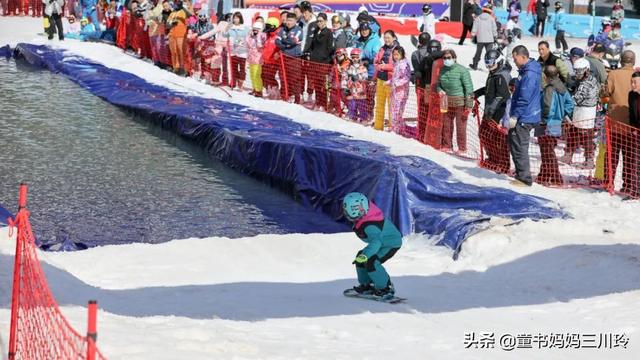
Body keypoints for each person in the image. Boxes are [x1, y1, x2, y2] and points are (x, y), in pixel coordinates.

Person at [342, 192, 402, 299]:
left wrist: (366, 256)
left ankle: (386, 288)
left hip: (390, 244)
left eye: (346, 210)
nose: (344, 213)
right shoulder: (365, 216)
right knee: (361, 256)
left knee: (371, 261)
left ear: (355, 210)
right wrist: (363, 255)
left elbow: (376, 242)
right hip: (382, 241)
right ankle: (367, 285)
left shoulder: (370, 226)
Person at [605, 50, 637, 195]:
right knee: (631, 157)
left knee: (612, 155)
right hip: (633, 125)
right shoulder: (637, 76)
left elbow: (606, 93)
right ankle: (629, 185)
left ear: (620, 60)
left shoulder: (613, 74)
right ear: (634, 61)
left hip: (614, 122)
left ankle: (608, 183)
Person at [509, 45, 542, 186]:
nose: (514, 61)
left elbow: (524, 97)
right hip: (526, 113)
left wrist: (515, 115)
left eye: (515, 58)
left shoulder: (529, 74)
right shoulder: (527, 70)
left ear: (523, 57)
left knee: (519, 146)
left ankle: (524, 178)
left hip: (525, 115)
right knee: (515, 143)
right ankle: (520, 173)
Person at [537, 65, 573, 186]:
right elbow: (570, 103)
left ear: (545, 76)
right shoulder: (563, 88)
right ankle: (543, 175)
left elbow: (547, 106)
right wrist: (563, 114)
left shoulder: (549, 88)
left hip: (546, 123)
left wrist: (544, 120)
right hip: (557, 123)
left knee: (547, 152)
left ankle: (556, 178)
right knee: (548, 150)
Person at [560, 58, 599, 168]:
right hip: (580, 111)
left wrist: (565, 103)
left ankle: (589, 160)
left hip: (585, 112)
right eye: (576, 71)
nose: (577, 74)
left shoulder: (587, 83)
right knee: (573, 133)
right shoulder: (587, 79)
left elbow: (577, 98)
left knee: (586, 137)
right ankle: (568, 155)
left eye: (579, 71)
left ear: (586, 70)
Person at [477, 49, 512, 174]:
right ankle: (493, 159)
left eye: (491, 63)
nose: (489, 66)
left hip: (498, 112)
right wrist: (477, 93)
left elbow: (501, 96)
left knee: (497, 139)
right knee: (485, 135)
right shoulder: (494, 73)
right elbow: (489, 89)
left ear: (498, 61)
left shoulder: (501, 76)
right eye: (487, 63)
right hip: (491, 110)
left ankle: (502, 164)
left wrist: (491, 111)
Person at [437, 49, 474, 153]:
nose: (446, 60)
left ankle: (462, 148)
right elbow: (439, 84)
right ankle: (447, 145)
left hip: (460, 102)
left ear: (454, 58)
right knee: (446, 125)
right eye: (444, 58)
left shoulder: (462, 70)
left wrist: (469, 105)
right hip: (446, 101)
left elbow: (469, 88)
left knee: (460, 126)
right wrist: (440, 90)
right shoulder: (442, 70)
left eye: (448, 58)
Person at [307, 12, 334, 110]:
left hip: (323, 63)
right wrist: (310, 54)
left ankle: (323, 103)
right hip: (314, 62)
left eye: (321, 21)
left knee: (323, 84)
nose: (319, 23)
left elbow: (329, 48)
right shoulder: (316, 31)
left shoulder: (328, 32)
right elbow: (312, 45)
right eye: (317, 21)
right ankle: (318, 102)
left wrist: (323, 57)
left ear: (325, 21)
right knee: (316, 84)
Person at [373, 30, 399, 131]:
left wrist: (385, 66)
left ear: (394, 37)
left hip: (390, 80)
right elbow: (375, 61)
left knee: (391, 105)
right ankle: (378, 127)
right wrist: (379, 67)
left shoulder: (397, 49)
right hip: (380, 79)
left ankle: (392, 128)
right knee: (379, 104)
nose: (386, 40)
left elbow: (399, 65)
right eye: (385, 38)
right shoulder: (382, 48)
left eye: (388, 37)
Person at [276, 12, 304, 103]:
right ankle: (285, 95)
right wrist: (284, 45)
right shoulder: (282, 29)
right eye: (287, 20)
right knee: (283, 77)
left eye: (291, 20)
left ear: (295, 21)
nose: (288, 22)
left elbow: (293, 41)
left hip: (294, 58)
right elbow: (277, 41)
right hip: (284, 57)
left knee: (295, 78)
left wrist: (283, 42)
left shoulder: (299, 30)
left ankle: (297, 98)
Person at [389, 46, 411, 135]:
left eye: (397, 54)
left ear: (402, 55)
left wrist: (396, 84)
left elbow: (406, 77)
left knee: (398, 111)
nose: (395, 56)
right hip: (395, 91)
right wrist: (389, 82)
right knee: (394, 110)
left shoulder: (404, 65)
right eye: (394, 54)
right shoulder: (397, 64)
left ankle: (397, 130)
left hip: (401, 92)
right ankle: (396, 128)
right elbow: (395, 77)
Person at [470, 4, 497, 71]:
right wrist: (495, 36)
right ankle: (491, 66)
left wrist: (472, 36)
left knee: (478, 52)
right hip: (489, 39)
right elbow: (494, 29)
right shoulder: (491, 19)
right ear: (490, 11)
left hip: (480, 39)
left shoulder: (478, 18)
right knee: (489, 53)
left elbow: (474, 28)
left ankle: (475, 65)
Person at [225, 12, 248, 90]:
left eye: (237, 18)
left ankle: (240, 83)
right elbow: (224, 34)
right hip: (233, 52)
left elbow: (248, 37)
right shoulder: (231, 28)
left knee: (242, 69)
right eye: (234, 18)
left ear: (240, 19)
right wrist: (228, 27)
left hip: (242, 51)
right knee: (233, 69)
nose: (236, 19)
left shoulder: (245, 28)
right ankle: (233, 82)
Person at [345, 48, 369, 122]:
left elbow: (365, 77)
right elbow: (346, 77)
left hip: (360, 91)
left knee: (361, 106)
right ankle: (352, 116)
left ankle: (363, 118)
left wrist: (358, 77)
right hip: (352, 90)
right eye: (353, 57)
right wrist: (347, 87)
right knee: (352, 105)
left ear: (360, 57)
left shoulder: (363, 67)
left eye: (356, 57)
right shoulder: (349, 67)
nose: (355, 59)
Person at [261, 17, 282, 100]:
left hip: (274, 61)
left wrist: (278, 54)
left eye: (268, 26)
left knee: (270, 76)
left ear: (274, 26)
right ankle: (271, 92)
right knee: (265, 76)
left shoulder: (278, 36)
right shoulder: (268, 36)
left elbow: (281, 48)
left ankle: (275, 93)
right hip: (266, 60)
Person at [167, 0, 190, 75]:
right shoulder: (172, 12)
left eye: (178, 2)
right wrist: (171, 24)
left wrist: (183, 7)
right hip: (172, 35)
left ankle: (183, 69)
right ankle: (176, 68)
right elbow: (167, 24)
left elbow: (192, 19)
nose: (176, 3)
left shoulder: (184, 11)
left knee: (181, 52)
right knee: (174, 52)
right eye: (175, 2)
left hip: (181, 35)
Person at [627, 71, 640, 197]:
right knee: (635, 162)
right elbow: (632, 114)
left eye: (635, 82)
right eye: (631, 81)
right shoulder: (631, 95)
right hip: (637, 133)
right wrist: (633, 129)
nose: (632, 84)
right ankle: (636, 191)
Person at [246, 21, 266, 97]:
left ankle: (259, 90)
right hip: (251, 58)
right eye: (254, 29)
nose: (255, 31)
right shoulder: (251, 36)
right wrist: (249, 36)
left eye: (257, 29)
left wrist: (258, 36)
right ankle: (254, 88)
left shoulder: (262, 36)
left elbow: (260, 45)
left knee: (256, 75)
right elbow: (248, 44)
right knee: (251, 75)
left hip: (258, 59)